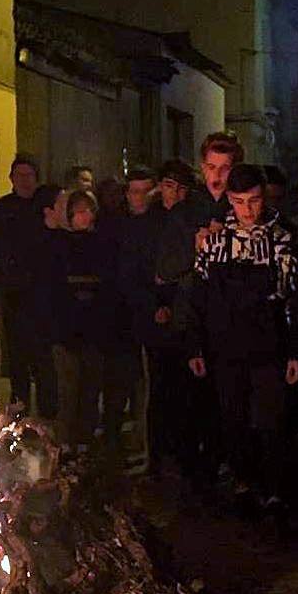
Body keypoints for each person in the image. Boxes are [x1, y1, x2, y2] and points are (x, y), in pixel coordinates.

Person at [185, 164, 298, 511]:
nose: (247, 210)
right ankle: (244, 481)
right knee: (233, 419)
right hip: (226, 348)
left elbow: (295, 300)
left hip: (269, 348)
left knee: (271, 421)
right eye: (239, 202)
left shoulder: (282, 240)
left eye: (253, 201)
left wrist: (295, 351)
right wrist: (195, 345)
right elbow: (199, 297)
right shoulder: (216, 244)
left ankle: (273, 487)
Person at [142, 160, 218, 482]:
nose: (169, 192)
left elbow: (179, 263)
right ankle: (165, 455)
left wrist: (168, 278)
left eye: (175, 186)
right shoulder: (158, 218)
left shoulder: (190, 214)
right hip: (164, 315)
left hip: (185, 314)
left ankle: (185, 457)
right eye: (167, 185)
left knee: (183, 388)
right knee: (164, 388)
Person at [0, 155, 57, 419]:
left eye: (29, 175)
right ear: (11, 179)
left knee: (45, 360)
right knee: (17, 358)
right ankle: (19, 415)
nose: (24, 180)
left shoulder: (48, 210)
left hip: (46, 295)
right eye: (19, 175)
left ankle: (48, 416)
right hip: (14, 295)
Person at [40, 189, 122, 452]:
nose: (85, 216)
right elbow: (52, 286)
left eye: (89, 210)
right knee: (68, 388)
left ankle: (85, 439)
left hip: (94, 328)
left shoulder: (102, 243)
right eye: (80, 211)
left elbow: (108, 283)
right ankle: (65, 442)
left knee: (90, 388)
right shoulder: (57, 244)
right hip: (66, 329)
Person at [107, 168, 159, 469]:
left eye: (144, 191)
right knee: (121, 381)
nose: (138, 198)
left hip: (148, 314)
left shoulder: (156, 225)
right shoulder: (118, 225)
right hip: (120, 316)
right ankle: (118, 443)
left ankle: (145, 444)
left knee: (146, 386)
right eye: (134, 191)